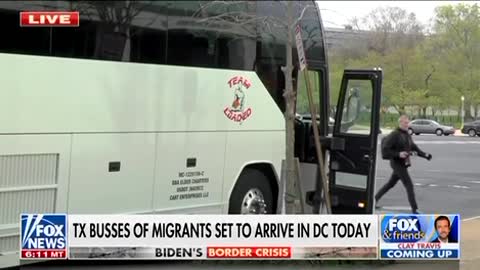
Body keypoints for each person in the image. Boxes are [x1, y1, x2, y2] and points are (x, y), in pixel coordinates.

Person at [376, 115, 432, 214]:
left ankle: (374, 200)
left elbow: (414, 147)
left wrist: (425, 155)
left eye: (408, 122)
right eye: (405, 123)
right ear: (400, 123)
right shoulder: (394, 135)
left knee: (390, 184)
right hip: (396, 163)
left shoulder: (406, 134)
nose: (407, 124)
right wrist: (398, 154)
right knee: (409, 185)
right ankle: (415, 210)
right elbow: (385, 150)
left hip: (403, 163)